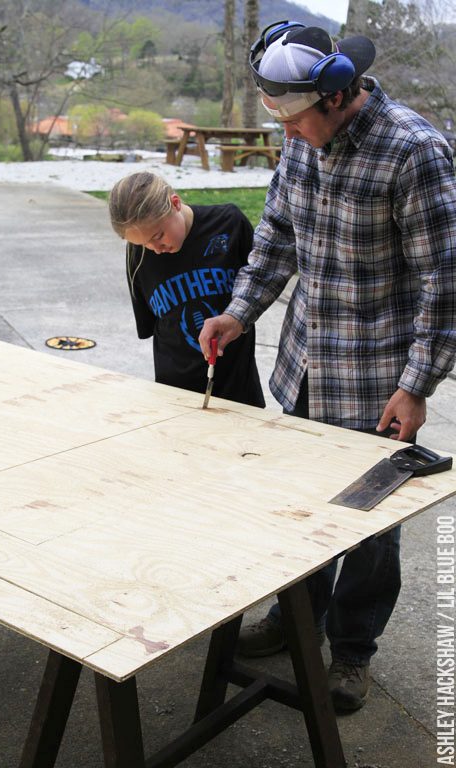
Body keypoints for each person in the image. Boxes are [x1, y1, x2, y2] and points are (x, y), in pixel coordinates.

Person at [199, 21, 456, 712]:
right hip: (307, 363)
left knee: (368, 529)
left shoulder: (414, 150)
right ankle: (295, 618)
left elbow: (446, 281)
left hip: (378, 382)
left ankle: (351, 652)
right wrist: (239, 311)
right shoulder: (300, 144)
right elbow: (278, 232)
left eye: (297, 120)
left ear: (339, 96)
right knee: (302, 509)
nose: (287, 135)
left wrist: (417, 386)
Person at [108, 171, 265, 407]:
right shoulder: (138, 255)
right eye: (143, 243)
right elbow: (152, 322)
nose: (155, 249)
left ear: (175, 203)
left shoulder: (229, 224)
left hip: (237, 388)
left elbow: (259, 286)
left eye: (158, 236)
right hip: (172, 395)